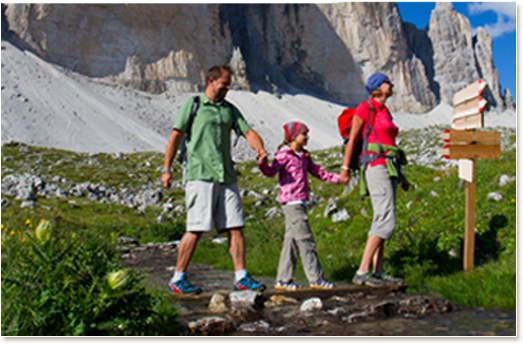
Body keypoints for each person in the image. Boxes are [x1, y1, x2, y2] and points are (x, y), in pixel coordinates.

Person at [161, 65, 267, 295]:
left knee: (236, 226)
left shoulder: (229, 109)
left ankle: (241, 276)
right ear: (211, 81)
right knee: (197, 228)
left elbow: (248, 131)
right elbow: (175, 136)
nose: (229, 87)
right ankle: (177, 277)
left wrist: (259, 148)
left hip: (227, 175)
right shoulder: (194, 105)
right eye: (225, 83)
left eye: (229, 84)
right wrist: (166, 169)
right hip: (200, 174)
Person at [339, 73, 409, 287]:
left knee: (382, 216)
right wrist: (344, 169)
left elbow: (390, 144)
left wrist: (403, 177)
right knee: (386, 217)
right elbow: (353, 141)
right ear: (378, 87)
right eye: (387, 82)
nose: (391, 84)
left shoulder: (385, 111)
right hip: (375, 166)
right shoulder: (365, 108)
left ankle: (378, 270)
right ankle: (362, 271)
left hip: (389, 166)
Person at [257, 121, 340, 291]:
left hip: (300, 201)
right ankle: (316, 278)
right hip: (292, 203)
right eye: (304, 134)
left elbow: (318, 172)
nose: (307, 137)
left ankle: (283, 280)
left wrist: (338, 179)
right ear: (293, 137)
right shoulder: (284, 155)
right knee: (306, 240)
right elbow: (270, 172)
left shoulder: (303, 156)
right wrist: (262, 163)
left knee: (292, 243)